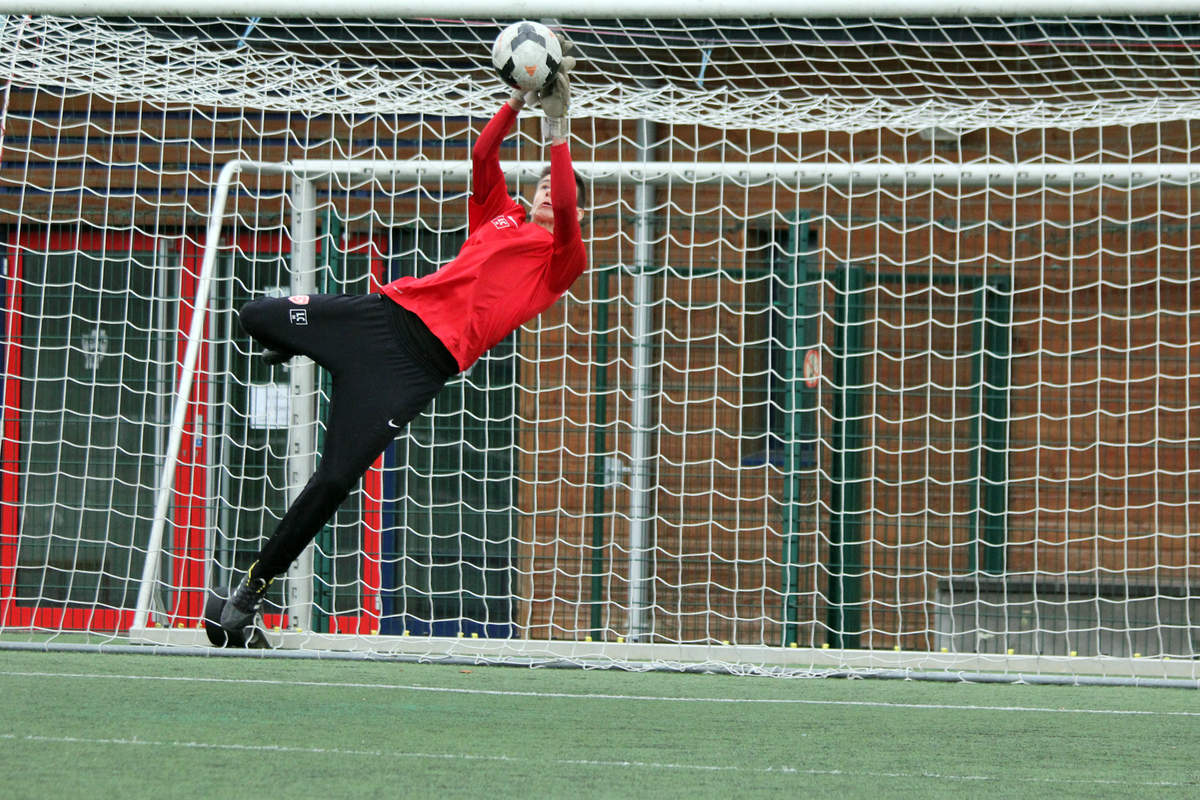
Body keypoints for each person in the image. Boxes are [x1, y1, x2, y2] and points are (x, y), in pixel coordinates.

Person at [204, 45, 586, 647]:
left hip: (412, 371)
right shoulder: (499, 214)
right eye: (538, 183)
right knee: (256, 315)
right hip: (381, 316)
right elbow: (484, 155)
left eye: (553, 189)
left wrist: (557, 129)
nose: (545, 192)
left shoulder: (561, 262)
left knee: (332, 482)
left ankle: (244, 597)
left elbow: (566, 203)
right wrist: (516, 102)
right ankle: (307, 348)